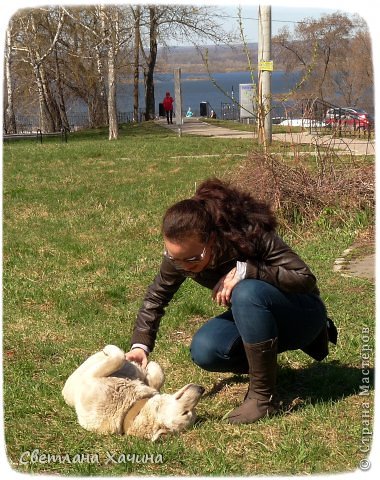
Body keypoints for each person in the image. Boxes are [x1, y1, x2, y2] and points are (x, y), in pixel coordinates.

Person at [126, 178, 337, 424]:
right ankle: (265, 372)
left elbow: (304, 279)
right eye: (174, 258)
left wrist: (250, 271)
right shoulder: (180, 257)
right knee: (206, 349)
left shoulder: (249, 233)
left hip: (303, 313)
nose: (183, 266)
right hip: (256, 316)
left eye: (192, 259)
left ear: (212, 240)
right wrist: (141, 346)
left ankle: (263, 397)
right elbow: (156, 296)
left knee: (246, 292)